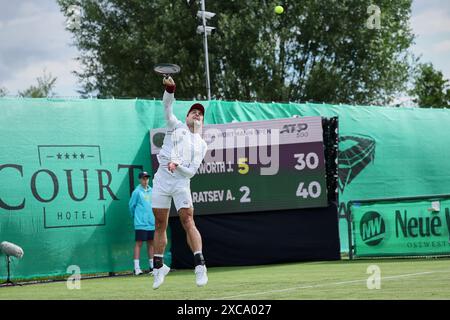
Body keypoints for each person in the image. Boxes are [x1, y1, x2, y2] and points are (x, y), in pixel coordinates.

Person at [151, 76, 208, 289]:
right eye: (194, 111)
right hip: (162, 180)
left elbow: (191, 172)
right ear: (186, 116)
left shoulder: (201, 144)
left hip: (181, 182)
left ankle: (200, 265)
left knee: (187, 220)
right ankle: (159, 267)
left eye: (200, 113)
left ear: (202, 121)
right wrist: (170, 88)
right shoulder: (174, 125)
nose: (197, 113)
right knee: (159, 223)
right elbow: (167, 105)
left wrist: (177, 166)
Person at [129, 171, 155, 276]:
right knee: (139, 244)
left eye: (147, 178)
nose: (145, 180)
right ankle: (136, 268)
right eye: (143, 178)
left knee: (151, 243)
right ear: (140, 179)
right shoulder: (136, 192)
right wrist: (136, 217)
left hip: (151, 223)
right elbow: (131, 206)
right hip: (140, 223)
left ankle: (152, 267)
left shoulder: (152, 191)